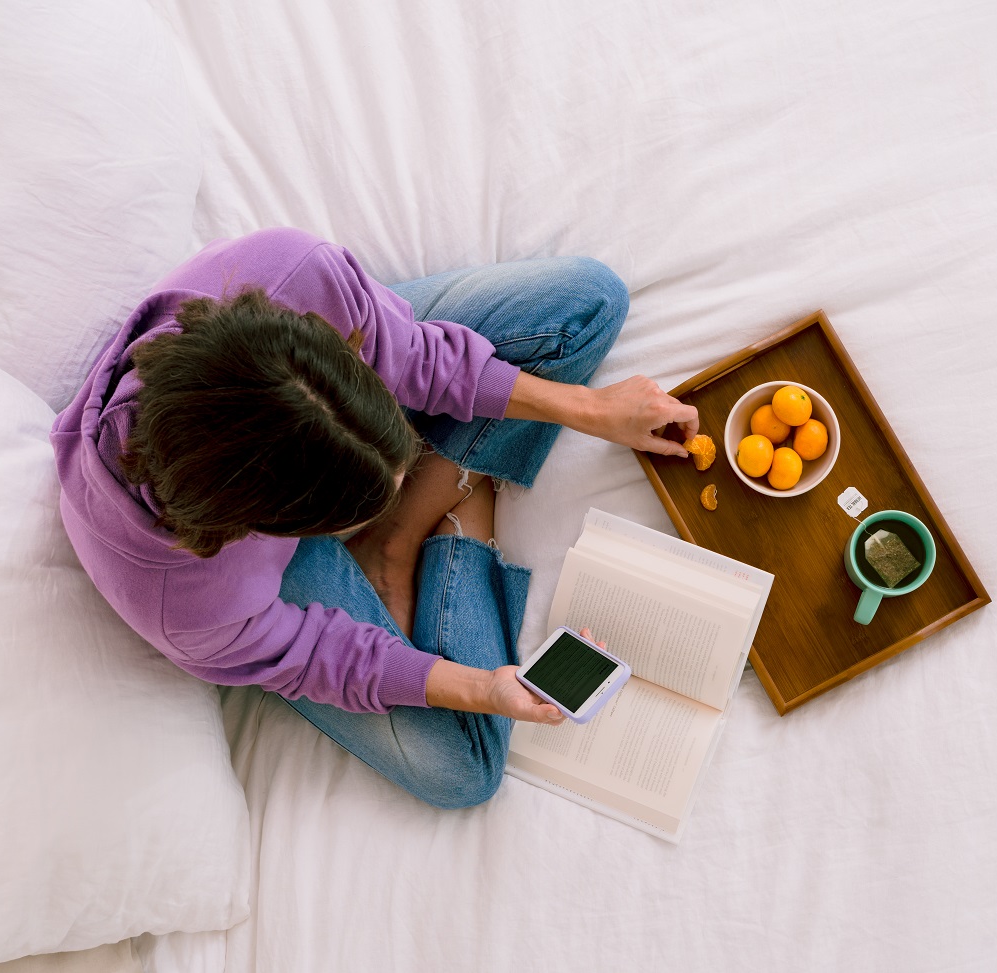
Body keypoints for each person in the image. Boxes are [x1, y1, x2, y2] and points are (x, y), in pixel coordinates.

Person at [52, 227, 698, 809]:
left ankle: (403, 530)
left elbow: (414, 356)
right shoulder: (184, 599)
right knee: (461, 766)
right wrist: (483, 689)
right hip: (240, 558)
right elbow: (310, 655)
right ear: (271, 527)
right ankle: (438, 510)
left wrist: (587, 408)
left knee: (587, 299)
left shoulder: (290, 272)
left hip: (288, 439)